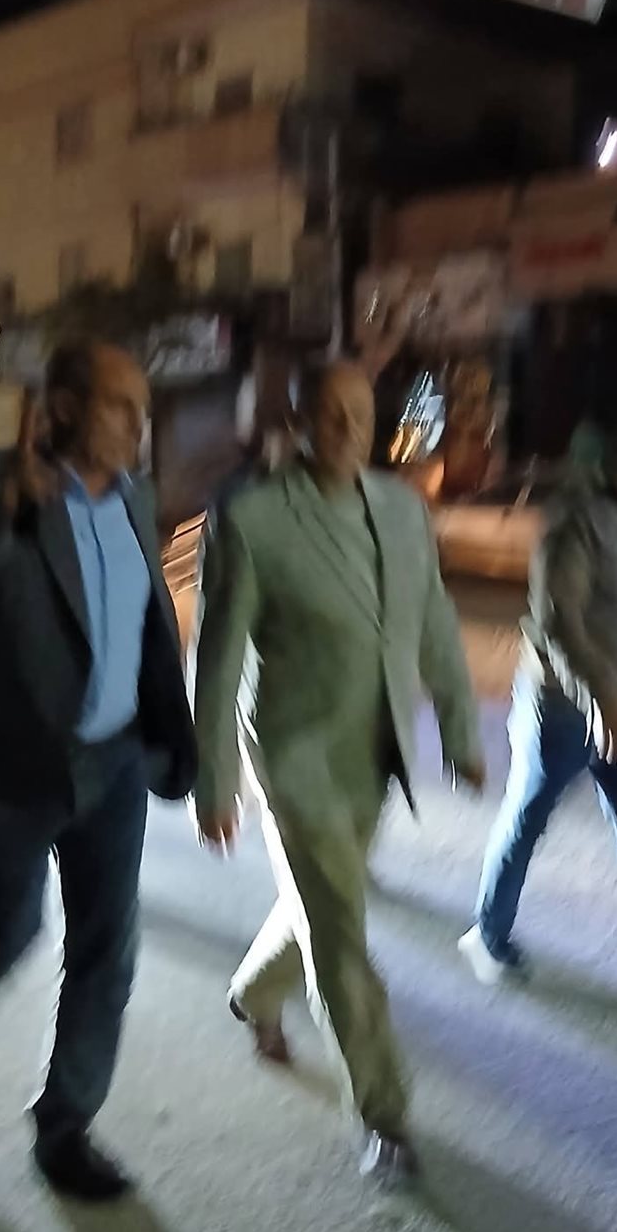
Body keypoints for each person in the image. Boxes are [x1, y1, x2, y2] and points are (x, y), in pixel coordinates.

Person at [0, 340, 197, 1201]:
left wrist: (173, 733)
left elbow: (145, 624)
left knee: (108, 946)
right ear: (59, 409)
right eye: (120, 408)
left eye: (144, 411)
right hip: (6, 772)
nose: (139, 428)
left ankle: (66, 1125)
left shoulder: (135, 497)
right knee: (5, 932)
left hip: (114, 762)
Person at [193, 358, 482, 1184]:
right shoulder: (254, 518)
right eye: (331, 414)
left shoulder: (401, 510)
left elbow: (433, 621)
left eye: (361, 414)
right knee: (342, 934)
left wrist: (459, 728)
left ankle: (255, 995)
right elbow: (217, 659)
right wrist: (214, 778)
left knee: (325, 907)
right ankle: (383, 1114)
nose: (350, 430)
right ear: (299, 422)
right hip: (294, 757)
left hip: (372, 753)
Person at [460, 415, 617, 1023]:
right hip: (561, 710)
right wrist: (601, 694)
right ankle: (487, 934)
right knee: (527, 818)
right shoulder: (576, 524)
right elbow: (556, 622)